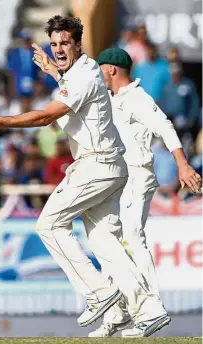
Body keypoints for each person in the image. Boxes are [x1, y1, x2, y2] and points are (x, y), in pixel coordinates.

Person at [0, 15, 170, 336]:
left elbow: (48, 114)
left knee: (48, 224)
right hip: (109, 165)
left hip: (96, 165)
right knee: (106, 243)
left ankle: (100, 293)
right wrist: (53, 70)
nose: (59, 49)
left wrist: (0, 122)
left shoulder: (84, 76)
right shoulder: (79, 72)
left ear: (78, 44)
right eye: (55, 44)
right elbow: (69, 82)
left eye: (65, 44)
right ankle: (143, 309)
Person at [86, 47, 201, 337]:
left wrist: (183, 165)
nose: (98, 73)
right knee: (109, 242)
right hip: (115, 179)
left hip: (138, 175)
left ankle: (152, 310)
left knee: (132, 239)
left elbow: (165, 126)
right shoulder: (110, 99)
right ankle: (117, 313)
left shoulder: (137, 97)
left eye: (100, 68)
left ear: (111, 69)